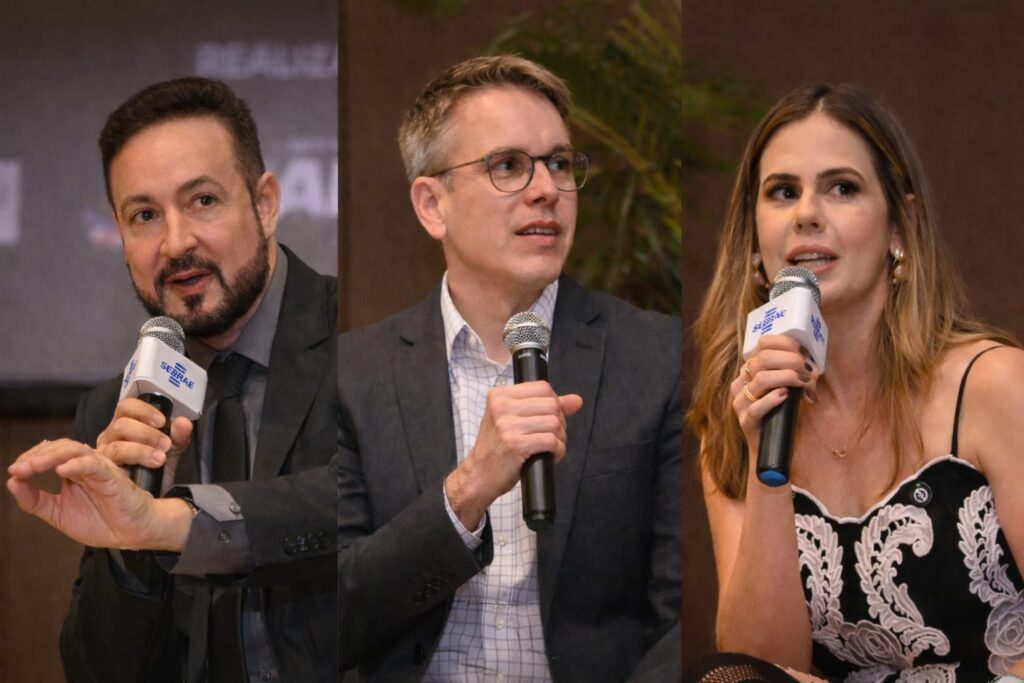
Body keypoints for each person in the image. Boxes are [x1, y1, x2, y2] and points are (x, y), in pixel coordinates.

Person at [337, 55, 681, 681]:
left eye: (559, 163)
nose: (547, 189)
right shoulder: (353, 377)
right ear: (432, 205)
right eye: (508, 166)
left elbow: (681, 616)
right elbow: (330, 615)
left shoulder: (658, 357)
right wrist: (467, 490)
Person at [5, 78, 337, 683]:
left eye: (203, 201)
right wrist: (128, 550)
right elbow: (100, 672)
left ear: (265, 203)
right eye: (145, 216)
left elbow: (365, 509)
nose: (176, 243)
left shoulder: (366, 334)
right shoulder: (114, 411)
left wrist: (171, 523)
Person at [690, 83, 1024, 681]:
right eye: (783, 191)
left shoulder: (996, 385)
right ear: (754, 242)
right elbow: (758, 665)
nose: (806, 213)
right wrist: (766, 466)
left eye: (842, 188)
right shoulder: (735, 421)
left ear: (900, 227)